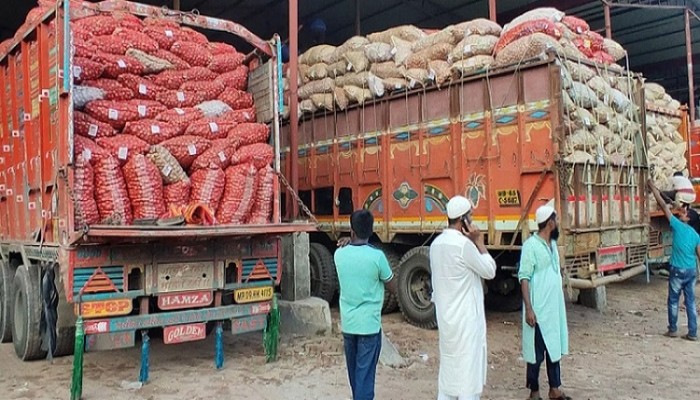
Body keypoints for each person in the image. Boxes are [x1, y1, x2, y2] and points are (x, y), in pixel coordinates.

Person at [429, 195, 497, 400]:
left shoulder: (436, 245)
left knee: (449, 374)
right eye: (471, 217)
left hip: (447, 320)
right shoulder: (463, 246)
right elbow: (489, 270)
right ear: (464, 221)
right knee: (468, 378)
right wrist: (480, 242)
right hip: (466, 322)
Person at [334, 209, 397, 400]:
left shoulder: (339, 255)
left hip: (349, 325)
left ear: (352, 231)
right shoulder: (377, 257)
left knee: (355, 377)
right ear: (371, 231)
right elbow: (393, 286)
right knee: (365, 378)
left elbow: (348, 250)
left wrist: (347, 241)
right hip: (369, 326)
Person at [518, 202, 570, 400]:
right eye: (555, 220)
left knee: (553, 348)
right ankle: (534, 392)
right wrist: (529, 309)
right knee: (536, 354)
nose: (557, 223)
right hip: (538, 309)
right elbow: (524, 278)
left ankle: (554, 389)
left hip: (553, 309)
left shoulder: (553, 244)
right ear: (549, 223)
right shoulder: (530, 246)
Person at [648, 179, 699, 341]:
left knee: (673, 300)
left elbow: (663, 206)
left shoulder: (677, 226)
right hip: (691, 271)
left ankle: (673, 329)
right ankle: (692, 332)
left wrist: (652, 188)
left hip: (677, 270)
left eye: (684, 213)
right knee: (690, 302)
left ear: (687, 219)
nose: (682, 212)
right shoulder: (696, 235)